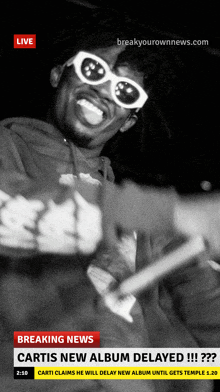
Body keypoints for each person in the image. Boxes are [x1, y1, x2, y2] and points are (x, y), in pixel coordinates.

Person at [0, 9, 220, 392]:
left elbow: (201, 305)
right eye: (92, 69)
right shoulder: (7, 148)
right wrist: (173, 213)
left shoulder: (143, 216)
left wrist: (189, 369)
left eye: (125, 91)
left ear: (130, 119)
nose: (104, 89)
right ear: (58, 74)